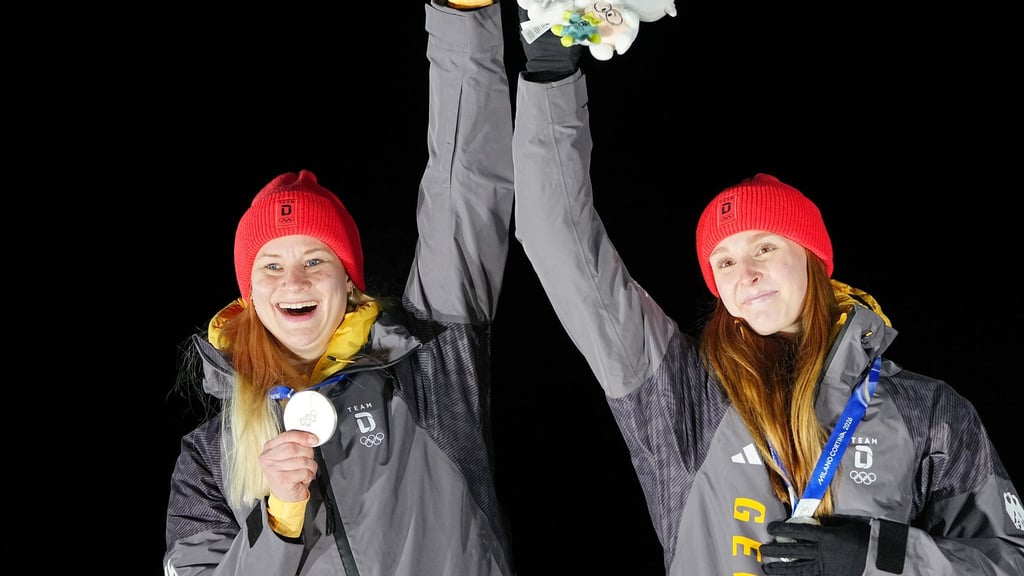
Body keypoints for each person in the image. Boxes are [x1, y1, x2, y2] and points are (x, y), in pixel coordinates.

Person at [509, 14, 1024, 576]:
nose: (744, 274)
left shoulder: (930, 411)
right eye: (723, 262)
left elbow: (1005, 562)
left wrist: (880, 559)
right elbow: (559, 240)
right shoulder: (679, 395)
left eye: (764, 247)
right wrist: (550, 81)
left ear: (811, 257)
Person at [163, 2, 519, 574]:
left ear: (348, 280)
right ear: (248, 294)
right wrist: (278, 519)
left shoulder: (428, 365)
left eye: (315, 260)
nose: (294, 281)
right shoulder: (209, 457)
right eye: (271, 266)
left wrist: (464, 17)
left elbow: (465, 190)